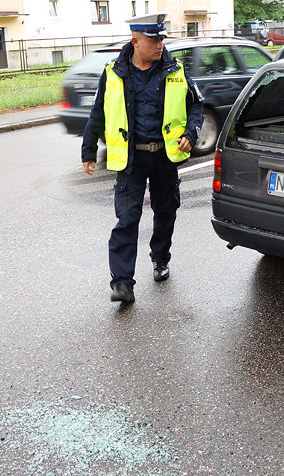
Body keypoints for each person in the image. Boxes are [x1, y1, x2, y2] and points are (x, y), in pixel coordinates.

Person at [81, 13, 204, 304]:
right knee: (127, 219)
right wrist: (87, 151)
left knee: (165, 212)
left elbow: (197, 106)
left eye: (162, 39)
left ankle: (160, 258)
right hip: (131, 159)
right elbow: (97, 113)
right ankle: (122, 283)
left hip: (164, 157)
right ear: (135, 41)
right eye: (153, 39)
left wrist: (190, 131)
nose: (160, 44)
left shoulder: (176, 69)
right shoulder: (113, 72)